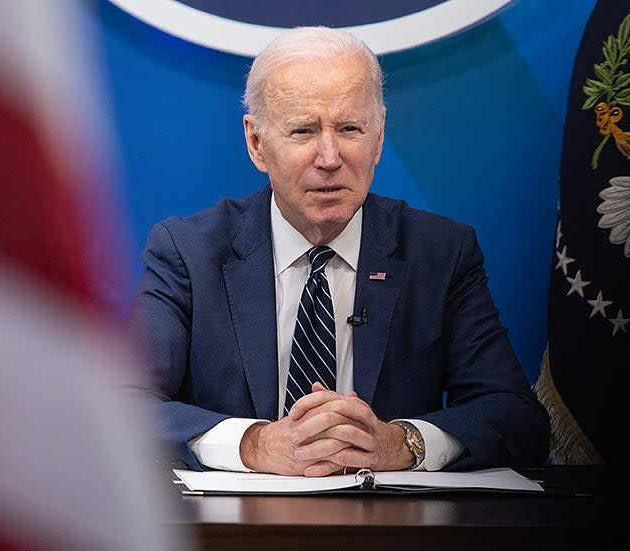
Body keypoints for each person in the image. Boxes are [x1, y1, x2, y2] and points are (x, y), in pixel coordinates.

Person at [130, 25, 549, 477]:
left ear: (379, 139)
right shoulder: (188, 252)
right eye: (303, 131)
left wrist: (405, 443)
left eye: (350, 128)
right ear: (256, 143)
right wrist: (253, 445)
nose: (329, 157)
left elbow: (516, 417)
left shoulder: (441, 253)